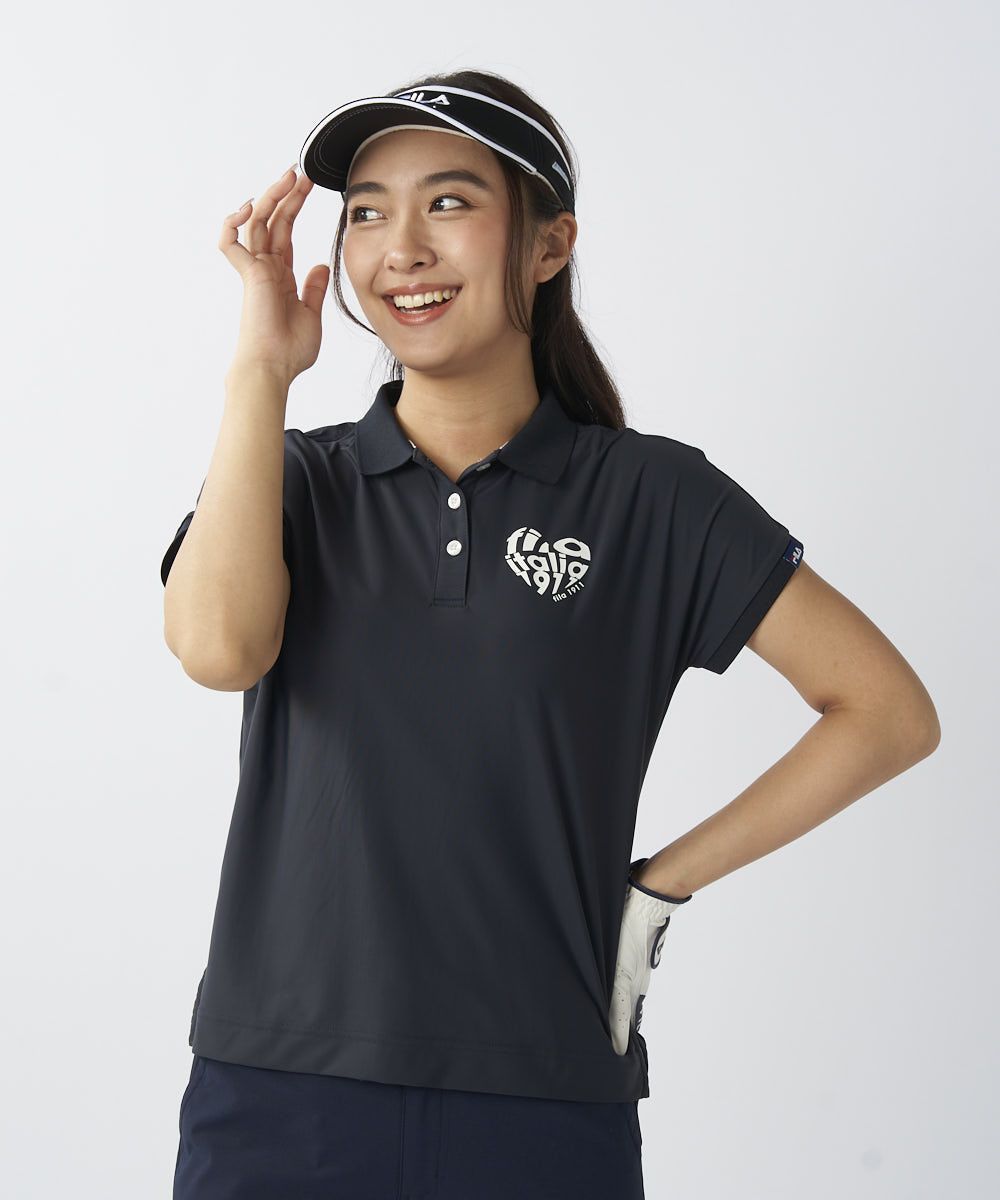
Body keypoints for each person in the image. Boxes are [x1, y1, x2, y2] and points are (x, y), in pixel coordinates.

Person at [162, 69, 941, 1200]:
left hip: (543, 1099)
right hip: (279, 1095)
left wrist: (660, 886)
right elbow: (217, 652)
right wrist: (259, 374)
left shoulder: (654, 498)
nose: (402, 248)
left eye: (448, 202)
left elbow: (887, 713)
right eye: (368, 211)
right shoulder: (289, 478)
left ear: (548, 244)